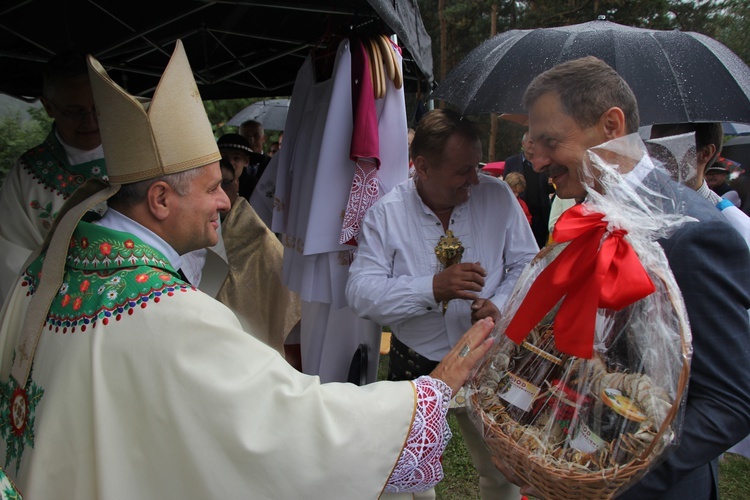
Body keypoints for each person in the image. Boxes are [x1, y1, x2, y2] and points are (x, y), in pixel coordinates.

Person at [0, 41, 496, 499]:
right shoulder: (167, 313)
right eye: (213, 186)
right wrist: (428, 395)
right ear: (159, 199)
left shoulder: (48, 264)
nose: (226, 199)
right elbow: (287, 422)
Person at [512, 55, 750, 499]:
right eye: (532, 143)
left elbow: (730, 403)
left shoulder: (692, 234)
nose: (538, 161)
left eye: (549, 141)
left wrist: (606, 479)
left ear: (610, 125)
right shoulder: (590, 213)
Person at [346, 108, 539, 500]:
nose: (474, 180)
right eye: (461, 171)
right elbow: (360, 292)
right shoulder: (386, 215)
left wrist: (499, 305)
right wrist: (432, 287)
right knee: (407, 481)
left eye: (476, 166)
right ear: (421, 166)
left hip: (489, 358)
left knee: (502, 470)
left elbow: (527, 264)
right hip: (418, 362)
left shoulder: (497, 195)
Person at [0, 50, 107, 306]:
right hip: (60, 314)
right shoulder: (27, 174)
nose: (90, 120)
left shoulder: (141, 156)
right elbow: (10, 259)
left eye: (98, 108)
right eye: (75, 111)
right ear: (48, 106)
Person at [215, 159, 301, 358]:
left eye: (225, 184)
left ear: (236, 184)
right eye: (211, 188)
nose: (219, 195)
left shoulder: (259, 235)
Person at [649, 122, 750, 248]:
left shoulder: (733, 224)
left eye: (667, 150)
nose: (654, 159)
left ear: (705, 153)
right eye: (651, 148)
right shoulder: (641, 204)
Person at [504, 131, 553, 247]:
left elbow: (549, 189)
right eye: (531, 142)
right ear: (523, 144)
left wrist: (551, 184)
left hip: (541, 216)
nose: (533, 146)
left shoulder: (544, 162)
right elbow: (506, 187)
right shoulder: (511, 162)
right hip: (520, 213)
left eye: (536, 143)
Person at [217, 133, 268, 200]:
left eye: (236, 158)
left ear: (246, 161)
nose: (230, 163)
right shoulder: (209, 184)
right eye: (224, 157)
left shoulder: (257, 189)